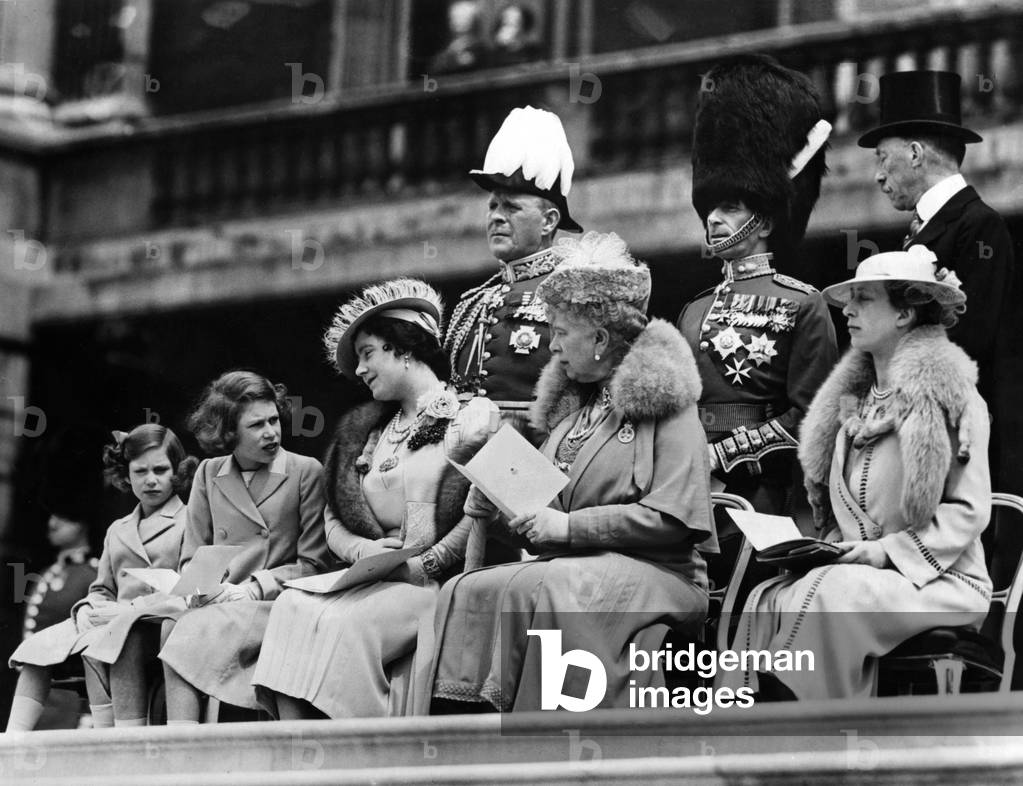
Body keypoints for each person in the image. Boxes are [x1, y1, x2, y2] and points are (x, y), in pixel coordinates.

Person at [431, 232, 718, 712]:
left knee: (559, 586)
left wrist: (568, 527)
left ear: (600, 339)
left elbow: (674, 520)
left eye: (562, 333)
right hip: (575, 565)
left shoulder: (668, 405)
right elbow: (542, 524)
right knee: (467, 588)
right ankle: (469, 737)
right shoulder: (572, 414)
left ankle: (555, 739)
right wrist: (499, 507)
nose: (553, 346)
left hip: (665, 576)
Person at [720, 246, 991, 700]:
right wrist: (821, 551)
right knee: (766, 598)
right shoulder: (852, 406)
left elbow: (969, 511)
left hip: (939, 582)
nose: (848, 310)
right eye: (850, 300)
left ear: (904, 313)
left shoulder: (952, 399)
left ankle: (800, 715)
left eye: (864, 299)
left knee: (834, 592)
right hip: (865, 576)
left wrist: (885, 553)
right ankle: (744, 718)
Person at [252, 279, 499, 719]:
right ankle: (300, 748)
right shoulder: (365, 431)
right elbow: (334, 517)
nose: (361, 370)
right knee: (289, 606)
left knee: (346, 625)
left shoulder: (472, 416)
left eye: (367, 354)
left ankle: (366, 747)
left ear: (403, 349)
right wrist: (364, 551)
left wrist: (426, 564)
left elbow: (483, 509)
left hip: (432, 585)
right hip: (369, 578)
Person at [678, 55, 838, 554]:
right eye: (711, 208)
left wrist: (728, 453)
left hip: (758, 486)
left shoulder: (804, 304)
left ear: (764, 222)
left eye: (730, 207)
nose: (714, 219)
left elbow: (812, 414)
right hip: (685, 482)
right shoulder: (694, 309)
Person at [858, 69, 1018, 499]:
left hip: (958, 439)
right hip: (916, 430)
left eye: (882, 158)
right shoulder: (926, 229)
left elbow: (972, 339)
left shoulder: (979, 225)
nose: (877, 175)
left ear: (914, 153)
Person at [158, 371, 329, 723]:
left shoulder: (305, 471)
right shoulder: (208, 473)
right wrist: (200, 589)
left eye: (273, 420)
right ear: (228, 433)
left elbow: (315, 564)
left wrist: (253, 589)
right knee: (170, 624)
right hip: (222, 601)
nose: (271, 432)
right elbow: (192, 555)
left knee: (185, 630)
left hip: (275, 602)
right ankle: (181, 741)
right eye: (256, 425)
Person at [6, 425, 195, 731]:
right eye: (140, 471)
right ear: (126, 475)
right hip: (111, 621)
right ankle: (12, 743)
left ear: (177, 472)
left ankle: (113, 737)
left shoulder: (190, 521)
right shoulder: (118, 529)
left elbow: (187, 589)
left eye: (161, 470)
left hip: (156, 625)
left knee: (113, 642)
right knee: (35, 649)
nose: (150, 479)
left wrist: (128, 611)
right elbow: (101, 589)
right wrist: (86, 607)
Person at [444, 105, 582, 416]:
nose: (496, 217)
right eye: (493, 206)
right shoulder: (473, 304)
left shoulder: (575, 295)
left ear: (548, 221)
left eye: (512, 208)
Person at [428, 0, 487, 75]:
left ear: (474, 19)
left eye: (462, 17)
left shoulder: (478, 48)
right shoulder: (449, 48)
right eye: (453, 17)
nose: (455, 21)